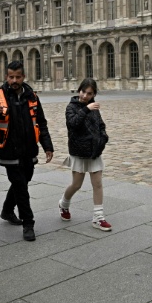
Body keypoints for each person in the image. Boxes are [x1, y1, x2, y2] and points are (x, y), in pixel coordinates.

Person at [0, 60, 54, 241]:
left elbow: (41, 123)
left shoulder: (32, 96)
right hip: (9, 151)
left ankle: (6, 210)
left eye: (17, 77)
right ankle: (28, 223)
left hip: (29, 150)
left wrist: (47, 146)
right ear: (6, 76)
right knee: (21, 186)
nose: (14, 80)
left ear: (23, 77)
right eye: (11, 77)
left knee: (24, 181)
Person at [58, 78, 111, 231]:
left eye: (89, 93)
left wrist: (103, 138)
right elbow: (72, 123)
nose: (85, 95)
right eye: (83, 92)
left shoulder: (94, 108)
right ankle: (64, 204)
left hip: (94, 150)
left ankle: (98, 217)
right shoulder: (71, 107)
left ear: (94, 94)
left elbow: (100, 125)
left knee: (98, 184)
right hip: (79, 151)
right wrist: (86, 109)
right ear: (79, 90)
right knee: (76, 184)